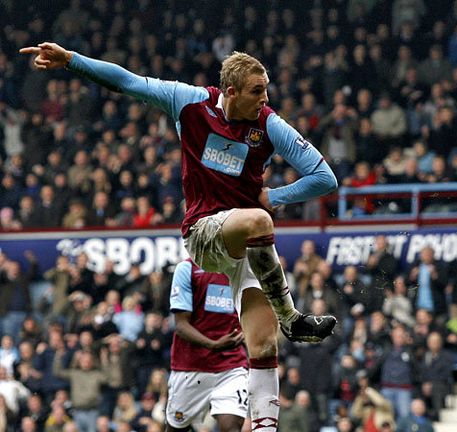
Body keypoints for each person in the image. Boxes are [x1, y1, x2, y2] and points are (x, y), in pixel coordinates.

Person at [20, 42, 338, 429]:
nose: (265, 98)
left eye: (266, 89)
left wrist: (276, 195)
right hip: (204, 233)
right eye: (257, 90)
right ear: (231, 91)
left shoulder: (268, 124)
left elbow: (324, 178)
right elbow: (127, 82)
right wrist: (71, 61)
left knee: (264, 344)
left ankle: (267, 424)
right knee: (260, 222)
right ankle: (292, 318)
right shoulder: (189, 103)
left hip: (245, 251)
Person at [166, 259, 249, 432]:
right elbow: (181, 325)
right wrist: (213, 345)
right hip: (190, 368)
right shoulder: (187, 269)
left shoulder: (240, 268)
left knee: (232, 427)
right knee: (176, 428)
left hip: (231, 366)